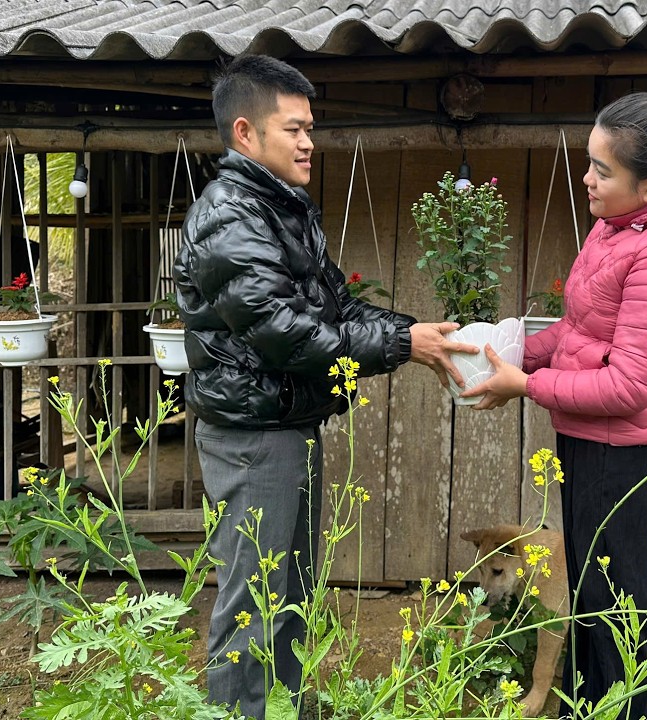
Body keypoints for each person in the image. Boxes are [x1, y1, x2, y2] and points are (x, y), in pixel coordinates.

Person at [172, 54, 475, 719]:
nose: (309, 142)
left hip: (284, 426)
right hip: (253, 438)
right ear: (246, 133)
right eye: (294, 128)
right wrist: (403, 344)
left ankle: (286, 710)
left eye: (312, 127)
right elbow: (284, 332)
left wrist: (416, 333)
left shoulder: (279, 210)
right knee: (254, 601)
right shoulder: (231, 216)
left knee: (290, 591)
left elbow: (334, 309)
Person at [461, 88, 647, 718]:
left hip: (628, 459)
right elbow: (578, 336)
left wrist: (524, 386)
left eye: (602, 170)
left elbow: (630, 385)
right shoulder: (618, 231)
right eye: (589, 161)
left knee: (618, 609)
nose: (586, 178)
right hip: (590, 442)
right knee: (589, 598)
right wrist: (504, 350)